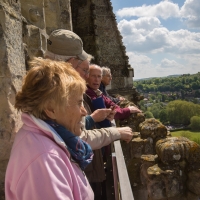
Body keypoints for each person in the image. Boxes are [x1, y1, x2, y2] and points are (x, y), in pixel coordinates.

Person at [5, 58, 94, 200]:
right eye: (78, 103)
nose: (84, 112)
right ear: (50, 109)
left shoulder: (41, 139)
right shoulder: (45, 160)